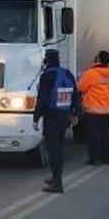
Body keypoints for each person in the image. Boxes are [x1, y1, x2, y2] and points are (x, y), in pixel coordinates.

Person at [32, 48, 80, 193]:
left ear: (46, 60)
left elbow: (42, 99)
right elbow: (76, 95)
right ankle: (55, 176)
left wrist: (36, 117)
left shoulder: (47, 76)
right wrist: (75, 113)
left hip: (52, 117)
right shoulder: (67, 73)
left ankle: (57, 183)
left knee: (53, 150)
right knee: (59, 147)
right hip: (64, 117)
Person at [78, 50, 109, 165]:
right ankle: (107, 158)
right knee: (105, 134)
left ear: (98, 59)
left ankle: (95, 159)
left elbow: (80, 87)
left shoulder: (91, 73)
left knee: (93, 136)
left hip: (93, 109)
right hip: (107, 109)